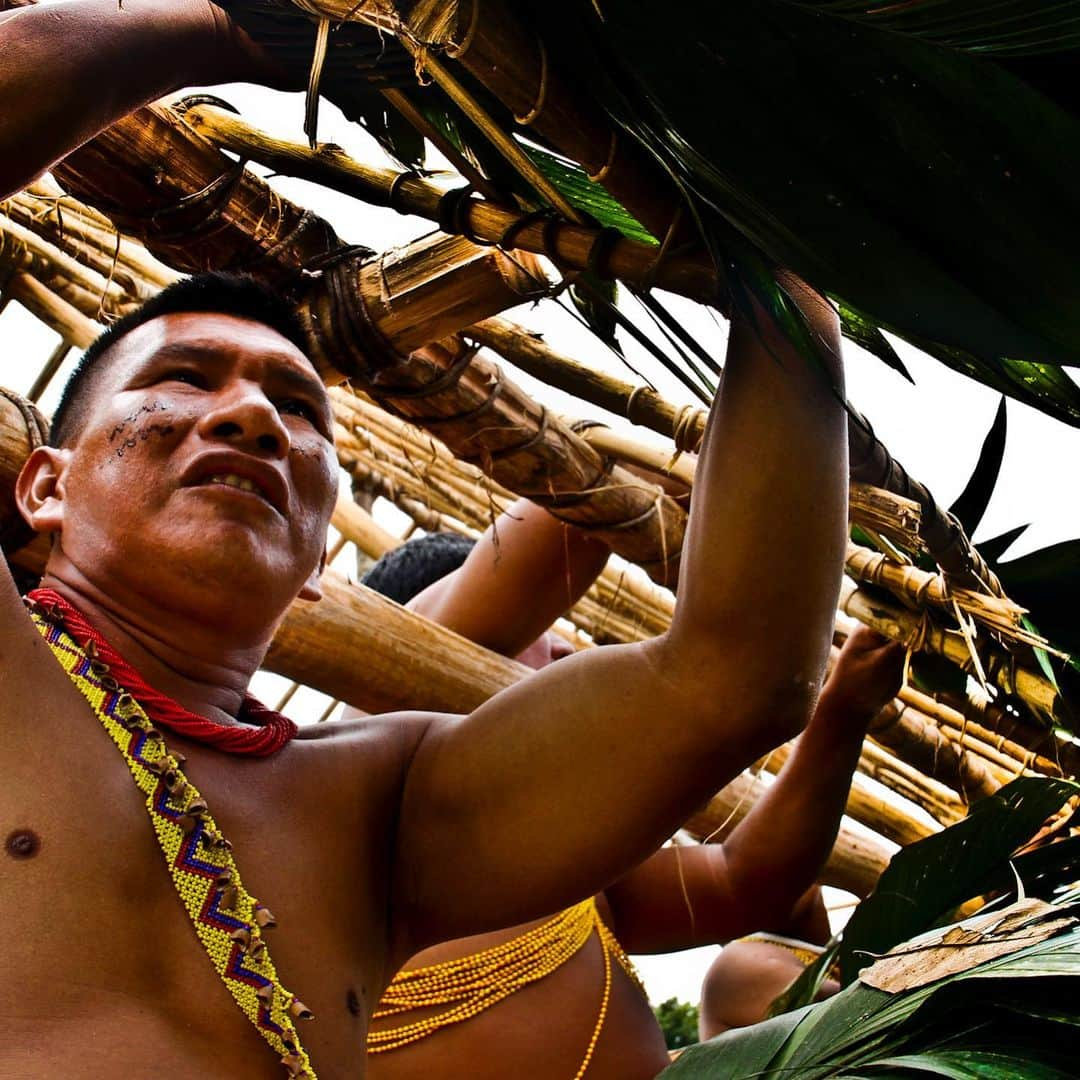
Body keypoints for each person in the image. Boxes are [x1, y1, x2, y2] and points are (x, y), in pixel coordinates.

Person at [0, 2, 850, 1075]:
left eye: (300, 410)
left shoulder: (376, 807)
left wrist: (782, 301)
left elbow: (737, 676)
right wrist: (234, 27)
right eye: (183, 377)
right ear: (43, 487)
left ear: (316, 566)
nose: (256, 417)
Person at [353, 511, 903, 1078]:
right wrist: (680, 467)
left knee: (740, 974)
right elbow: (538, 554)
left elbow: (746, 880)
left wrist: (843, 712)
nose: (566, 648)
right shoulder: (371, 795)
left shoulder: (558, 869)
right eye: (541, 629)